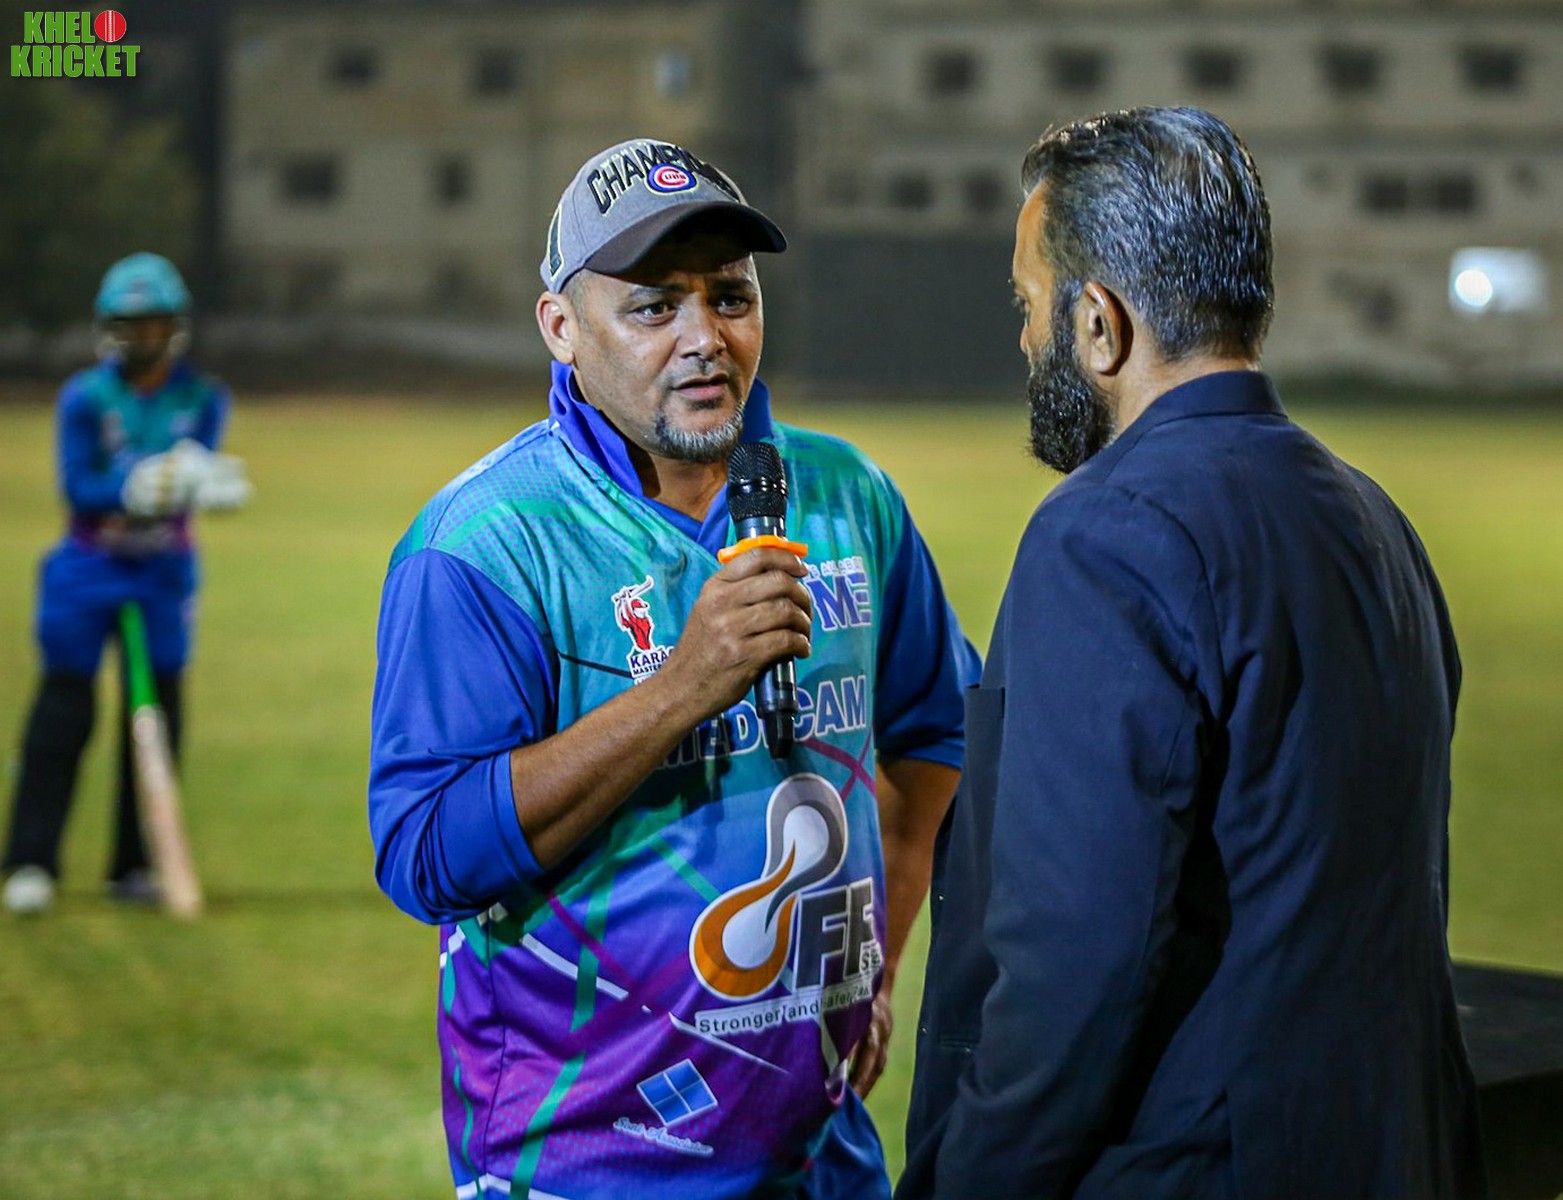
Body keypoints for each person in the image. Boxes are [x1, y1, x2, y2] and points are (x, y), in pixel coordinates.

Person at [368, 138, 977, 1200]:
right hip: (584, 1163)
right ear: (561, 327)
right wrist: (681, 689)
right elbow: (427, 854)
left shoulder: (848, 495)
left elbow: (939, 731)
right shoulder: (482, 544)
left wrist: (872, 956)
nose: (705, 339)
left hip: (821, 1160)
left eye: (730, 298)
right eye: (653, 307)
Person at [898, 107, 1486, 1199]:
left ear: (1098, 323)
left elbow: (1072, 958)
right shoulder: (1375, 520)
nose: (1025, 340)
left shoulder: (1104, 533)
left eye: (1029, 304)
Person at [2, 252, 251, 917]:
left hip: (162, 574)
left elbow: (197, 463)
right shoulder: (85, 397)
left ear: (175, 326)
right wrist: (130, 488)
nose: (144, 337)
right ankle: (30, 860)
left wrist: (205, 483)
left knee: (156, 718)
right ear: (110, 328)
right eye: (131, 325)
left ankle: (134, 864)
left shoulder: (203, 396)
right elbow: (77, 487)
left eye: (155, 323)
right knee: (63, 712)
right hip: (87, 570)